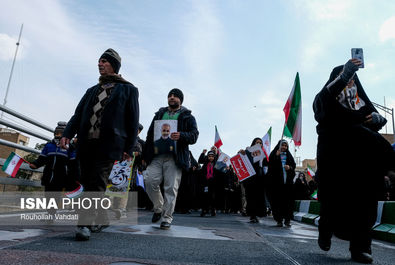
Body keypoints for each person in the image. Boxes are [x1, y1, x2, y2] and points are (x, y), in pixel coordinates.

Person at [313, 58, 395, 263]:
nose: (350, 82)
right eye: (346, 77)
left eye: (353, 79)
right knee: (332, 200)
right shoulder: (327, 97)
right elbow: (321, 107)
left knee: (365, 201)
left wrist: (378, 119)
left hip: (360, 162)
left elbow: (374, 120)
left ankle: (360, 248)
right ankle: (326, 227)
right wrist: (344, 75)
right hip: (335, 158)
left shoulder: (359, 102)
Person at [60, 48, 139, 241]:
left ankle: (84, 224)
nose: (100, 64)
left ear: (114, 65)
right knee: (86, 182)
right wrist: (68, 133)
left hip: (110, 145)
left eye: (104, 61)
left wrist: (129, 148)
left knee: (97, 183)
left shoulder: (128, 90)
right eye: (99, 61)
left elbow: (132, 120)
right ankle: (102, 217)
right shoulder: (91, 91)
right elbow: (77, 114)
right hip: (87, 143)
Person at [143, 88, 198, 229]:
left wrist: (182, 135)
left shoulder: (188, 117)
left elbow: (194, 136)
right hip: (157, 155)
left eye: (175, 96)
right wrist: (145, 154)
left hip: (175, 157)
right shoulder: (160, 114)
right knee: (149, 180)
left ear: (181, 99)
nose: (172, 98)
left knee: (170, 188)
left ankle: (166, 218)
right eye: (170, 96)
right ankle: (158, 208)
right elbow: (150, 135)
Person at [30, 122, 80, 217]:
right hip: (48, 176)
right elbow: (42, 159)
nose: (58, 135)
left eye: (61, 133)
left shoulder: (70, 148)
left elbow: (73, 164)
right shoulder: (48, 146)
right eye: (56, 133)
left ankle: (52, 214)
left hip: (61, 177)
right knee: (48, 197)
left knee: (56, 196)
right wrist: (35, 164)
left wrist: (75, 177)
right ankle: (50, 214)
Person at [267, 140, 296, 228]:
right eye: (282, 145)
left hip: (287, 185)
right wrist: (276, 156)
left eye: (285, 146)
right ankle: (279, 220)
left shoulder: (289, 156)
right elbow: (270, 166)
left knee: (288, 202)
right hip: (276, 184)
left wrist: (289, 167)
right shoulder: (274, 154)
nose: (284, 147)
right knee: (277, 202)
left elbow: (293, 166)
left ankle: (287, 220)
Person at [239, 138, 266, 223]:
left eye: (260, 143)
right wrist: (242, 153)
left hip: (259, 178)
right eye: (257, 142)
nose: (259, 144)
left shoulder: (263, 154)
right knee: (250, 197)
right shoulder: (247, 152)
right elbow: (240, 161)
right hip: (250, 179)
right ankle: (252, 215)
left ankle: (257, 214)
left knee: (258, 197)